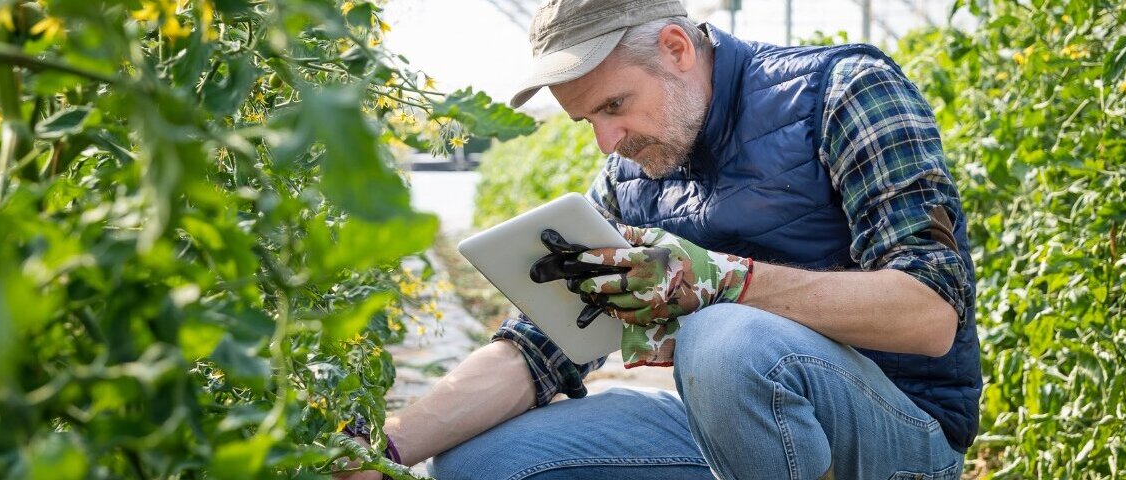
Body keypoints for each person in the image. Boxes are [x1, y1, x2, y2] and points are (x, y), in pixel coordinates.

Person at [338, 0, 980, 478]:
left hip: (897, 434)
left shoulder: (842, 92)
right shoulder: (626, 178)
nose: (605, 141)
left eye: (614, 105)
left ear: (676, 48)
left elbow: (930, 317)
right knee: (479, 466)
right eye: (587, 119)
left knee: (722, 336)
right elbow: (540, 351)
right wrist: (381, 451)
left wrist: (726, 281)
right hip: (743, 434)